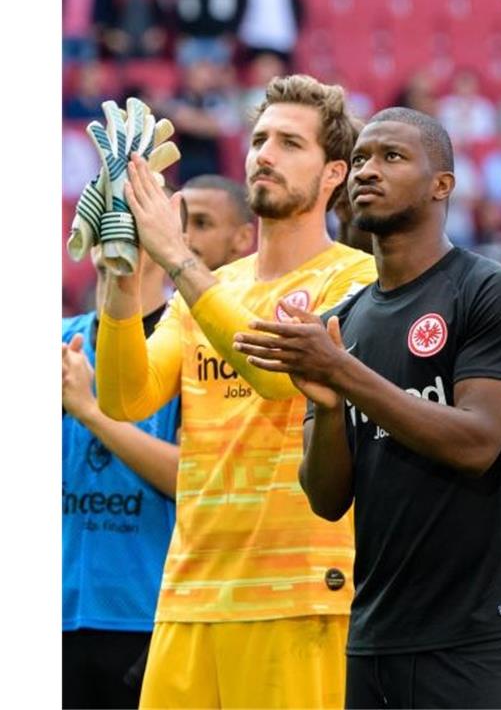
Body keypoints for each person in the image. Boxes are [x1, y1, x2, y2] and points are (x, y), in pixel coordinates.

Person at [231, 107, 501, 708]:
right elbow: (327, 500)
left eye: (391, 157)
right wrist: (328, 408)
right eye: (360, 160)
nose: (366, 171)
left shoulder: (494, 292)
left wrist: (343, 374)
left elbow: (477, 442)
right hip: (374, 636)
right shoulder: (344, 321)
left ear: (442, 185)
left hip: (483, 637)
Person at [94, 75, 377, 708]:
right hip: (190, 593)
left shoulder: (358, 279)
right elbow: (124, 398)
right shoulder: (212, 286)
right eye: (257, 139)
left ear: (334, 174)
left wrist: (177, 261)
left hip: (300, 594)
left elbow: (279, 376)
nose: (264, 154)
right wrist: (122, 269)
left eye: (288, 143)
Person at [62, 248, 179, 710]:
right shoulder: (59, 341)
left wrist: (89, 412)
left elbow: (192, 478)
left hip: (147, 619)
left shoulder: (189, 344)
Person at [181, 174, 255, 269]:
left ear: (243, 237)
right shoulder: (159, 282)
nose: (184, 235)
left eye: (201, 224)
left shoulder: (268, 284)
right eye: (181, 222)